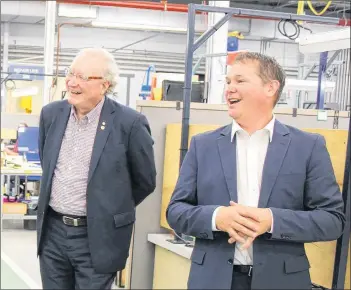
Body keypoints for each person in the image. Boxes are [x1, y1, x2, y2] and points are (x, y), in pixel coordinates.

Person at [166, 52, 345, 290]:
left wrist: (272, 220)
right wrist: (216, 217)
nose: (229, 89)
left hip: (281, 281)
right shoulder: (203, 145)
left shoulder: (308, 146)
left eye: (240, 81)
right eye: (228, 82)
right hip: (212, 280)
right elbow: (176, 212)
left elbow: (332, 220)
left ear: (270, 88)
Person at [37, 47, 156, 289]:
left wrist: (107, 207)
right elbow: (47, 164)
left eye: (82, 77)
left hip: (98, 237)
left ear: (105, 85)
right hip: (53, 234)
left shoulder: (129, 123)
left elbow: (145, 181)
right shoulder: (51, 114)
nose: (72, 82)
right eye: (71, 74)